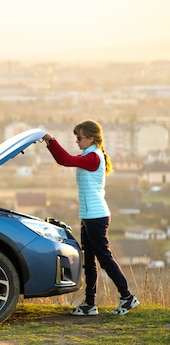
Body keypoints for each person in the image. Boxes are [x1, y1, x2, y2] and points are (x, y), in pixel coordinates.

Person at [42, 120, 139, 316]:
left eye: (79, 138)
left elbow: (65, 160)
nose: (77, 141)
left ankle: (127, 298)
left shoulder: (94, 157)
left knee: (105, 259)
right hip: (88, 216)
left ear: (91, 139)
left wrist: (50, 140)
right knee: (90, 261)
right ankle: (89, 304)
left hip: (96, 217)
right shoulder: (89, 155)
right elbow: (66, 159)